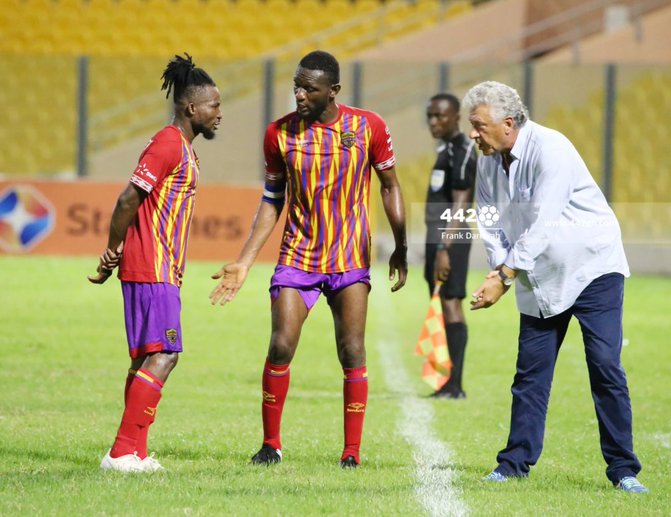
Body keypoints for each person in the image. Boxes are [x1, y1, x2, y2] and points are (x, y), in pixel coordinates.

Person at [209, 50, 408, 469]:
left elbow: (390, 185)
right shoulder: (279, 134)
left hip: (349, 257)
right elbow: (271, 200)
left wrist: (401, 246)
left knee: (352, 350)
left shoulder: (367, 126)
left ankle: (351, 453)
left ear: (332, 91)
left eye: (308, 88)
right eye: (296, 86)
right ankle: (271, 445)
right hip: (297, 257)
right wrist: (245, 260)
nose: (299, 94)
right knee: (281, 344)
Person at [462, 81, 648, 493]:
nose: (472, 133)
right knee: (530, 374)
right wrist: (499, 271)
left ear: (507, 123)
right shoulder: (490, 160)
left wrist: (506, 278)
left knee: (604, 365)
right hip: (540, 276)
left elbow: (543, 222)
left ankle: (623, 470)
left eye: (478, 125)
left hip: (592, 269)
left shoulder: (553, 148)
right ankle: (513, 465)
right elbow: (489, 218)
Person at [88, 53, 222, 473]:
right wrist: (113, 247)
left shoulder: (181, 147)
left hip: (158, 269)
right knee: (165, 354)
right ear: (191, 108)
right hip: (153, 267)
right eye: (214, 106)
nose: (220, 114)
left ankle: (135, 453)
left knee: (147, 356)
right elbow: (129, 197)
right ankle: (122, 451)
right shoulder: (167, 143)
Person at [423, 93, 477, 399]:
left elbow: (461, 202)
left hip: (452, 239)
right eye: (430, 115)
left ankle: (455, 385)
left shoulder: (463, 151)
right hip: (439, 238)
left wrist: (444, 248)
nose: (434, 121)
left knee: (452, 302)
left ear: (456, 117)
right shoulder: (446, 150)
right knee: (442, 303)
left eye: (440, 116)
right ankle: (447, 382)